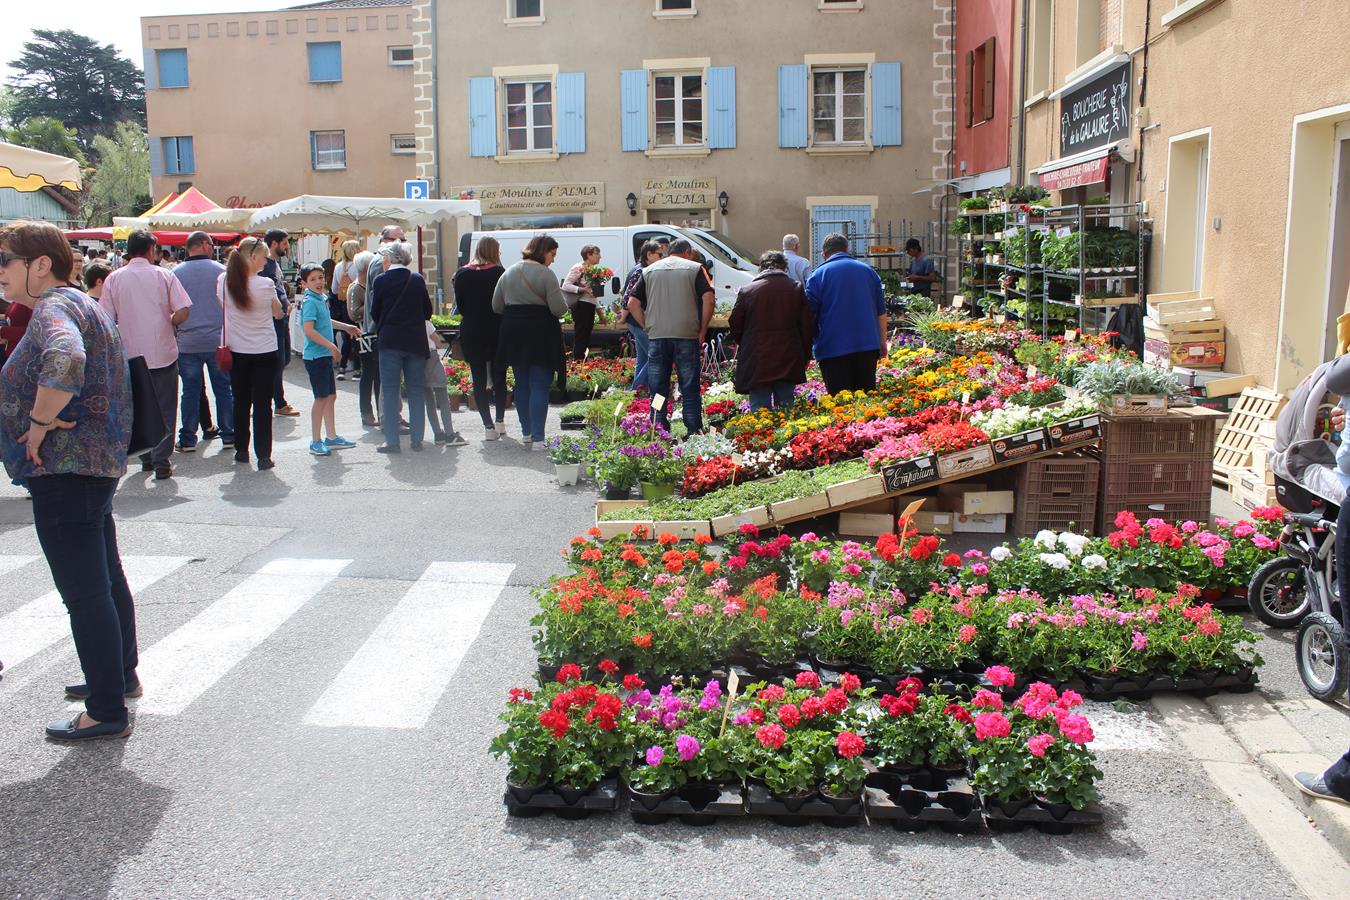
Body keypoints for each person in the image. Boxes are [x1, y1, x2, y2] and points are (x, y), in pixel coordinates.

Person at [0, 221, 137, 741]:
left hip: (65, 467)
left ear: (40, 264)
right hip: (92, 464)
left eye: (6, 260)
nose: (1, 273)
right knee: (105, 578)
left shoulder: (54, 309)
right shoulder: (82, 303)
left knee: (84, 593)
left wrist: (37, 424)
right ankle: (118, 679)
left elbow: (66, 358)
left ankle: (105, 710)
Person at [99, 228, 192, 480]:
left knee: (137, 405)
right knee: (165, 406)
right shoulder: (164, 275)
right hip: (162, 350)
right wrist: (171, 321)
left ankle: (145, 456)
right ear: (152, 250)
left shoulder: (114, 278)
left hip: (130, 354)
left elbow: (106, 317)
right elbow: (183, 309)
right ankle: (162, 459)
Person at [626, 237, 714, 436]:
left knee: (657, 387)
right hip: (686, 334)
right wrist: (702, 329)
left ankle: (658, 427)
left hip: (658, 336)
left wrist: (647, 326)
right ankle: (693, 429)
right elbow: (708, 298)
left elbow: (632, 303)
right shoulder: (695, 268)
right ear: (688, 252)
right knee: (689, 386)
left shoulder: (649, 270)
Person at [491, 234, 567, 450]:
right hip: (541, 332)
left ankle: (526, 433)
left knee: (522, 382)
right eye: (552, 254)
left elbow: (496, 306)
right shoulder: (546, 274)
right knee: (540, 383)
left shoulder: (509, 272)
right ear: (543, 251)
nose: (553, 259)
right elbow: (559, 309)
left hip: (513, 331)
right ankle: (538, 438)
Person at [219, 237, 282, 470]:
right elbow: (278, 313)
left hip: (236, 350)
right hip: (264, 349)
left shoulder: (223, 281)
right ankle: (263, 455)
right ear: (253, 257)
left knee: (241, 401)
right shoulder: (265, 284)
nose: (266, 262)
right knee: (263, 404)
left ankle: (241, 450)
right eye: (264, 257)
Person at [171, 231, 234, 453]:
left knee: (190, 391)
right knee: (223, 389)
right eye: (211, 244)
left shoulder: (174, 273)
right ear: (204, 245)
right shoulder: (222, 271)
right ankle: (229, 434)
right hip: (218, 341)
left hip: (187, 342)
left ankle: (188, 438)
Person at [729, 251, 814, 411]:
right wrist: (805, 353)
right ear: (784, 267)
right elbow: (807, 326)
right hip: (788, 355)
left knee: (760, 411)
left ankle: (760, 436)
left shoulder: (748, 290)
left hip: (757, 356)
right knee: (786, 408)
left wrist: (747, 342)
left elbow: (735, 324)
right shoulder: (795, 288)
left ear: (761, 268)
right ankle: (785, 435)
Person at [805, 232, 888, 396]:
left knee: (840, 405)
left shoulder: (817, 275)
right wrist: (882, 342)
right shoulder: (869, 272)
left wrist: (809, 346)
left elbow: (808, 316)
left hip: (832, 349)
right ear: (846, 249)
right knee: (866, 402)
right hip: (867, 346)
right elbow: (881, 312)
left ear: (824, 254)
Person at [370, 241, 433, 453]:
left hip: (390, 340)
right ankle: (417, 440)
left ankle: (392, 441)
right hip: (415, 341)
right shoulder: (417, 280)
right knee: (415, 390)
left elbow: (375, 311)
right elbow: (427, 312)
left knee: (389, 390)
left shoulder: (381, 281)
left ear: (388, 259)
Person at [298, 264, 361, 456]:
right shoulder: (310, 301)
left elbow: (325, 322)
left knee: (330, 396)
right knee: (321, 398)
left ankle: (331, 436)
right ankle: (315, 440)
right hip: (316, 356)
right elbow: (309, 330)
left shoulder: (321, 298)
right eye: (313, 279)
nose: (318, 282)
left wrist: (346, 327)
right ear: (304, 283)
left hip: (323, 356)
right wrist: (331, 346)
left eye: (320, 277)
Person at [452, 237, 508, 439]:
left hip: (472, 328)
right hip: (496, 327)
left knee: (478, 378)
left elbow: (461, 305)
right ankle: (500, 420)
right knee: (500, 375)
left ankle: (488, 427)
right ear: (494, 251)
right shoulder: (500, 273)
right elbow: (504, 303)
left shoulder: (462, 273)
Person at [365, 225, 408, 428]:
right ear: (386, 240)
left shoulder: (384, 260)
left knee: (387, 378)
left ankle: (393, 417)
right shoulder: (380, 262)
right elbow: (378, 301)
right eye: (399, 239)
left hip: (384, 328)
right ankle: (389, 419)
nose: (403, 243)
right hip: (383, 329)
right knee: (386, 379)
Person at [261, 228, 300, 417]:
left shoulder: (273, 264)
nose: (287, 247)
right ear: (274, 244)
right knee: (277, 362)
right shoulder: (265, 266)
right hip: (274, 321)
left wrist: (287, 304)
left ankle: (275, 399)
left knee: (284, 360)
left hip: (281, 319)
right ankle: (278, 401)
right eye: (284, 243)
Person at [620, 241, 663, 390]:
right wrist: (625, 317)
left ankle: (638, 393)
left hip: (636, 320)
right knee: (656, 357)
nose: (662, 257)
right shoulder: (641, 271)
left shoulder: (641, 269)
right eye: (660, 254)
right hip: (639, 320)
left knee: (643, 358)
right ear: (649, 254)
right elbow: (628, 298)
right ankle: (636, 389)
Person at [347, 249, 380, 427]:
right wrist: (373, 304)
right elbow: (353, 313)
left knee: (379, 375)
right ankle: (366, 412)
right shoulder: (355, 288)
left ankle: (381, 410)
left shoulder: (372, 285)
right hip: (363, 336)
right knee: (368, 374)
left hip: (375, 334)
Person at [423, 321, 466, 447]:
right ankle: (449, 434)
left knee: (429, 401)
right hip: (432, 358)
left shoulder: (410, 323)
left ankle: (438, 434)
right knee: (443, 398)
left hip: (418, 361)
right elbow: (438, 343)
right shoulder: (427, 324)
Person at [562, 244, 606, 361]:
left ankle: (580, 364)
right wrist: (582, 289)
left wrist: (600, 314)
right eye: (597, 254)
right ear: (588, 255)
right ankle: (577, 364)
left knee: (585, 337)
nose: (600, 257)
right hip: (581, 305)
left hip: (588, 306)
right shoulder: (578, 267)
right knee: (581, 336)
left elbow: (593, 296)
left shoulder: (593, 270)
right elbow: (566, 285)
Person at [332, 239, 361, 378]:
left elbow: (334, 289)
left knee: (346, 337)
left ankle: (342, 368)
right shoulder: (358, 266)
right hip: (356, 304)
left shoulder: (338, 267)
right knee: (357, 337)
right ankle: (357, 369)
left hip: (343, 306)